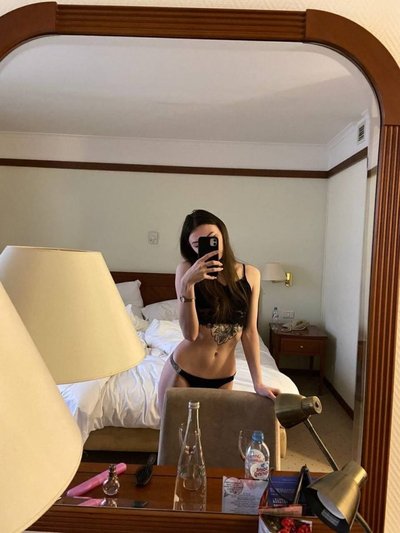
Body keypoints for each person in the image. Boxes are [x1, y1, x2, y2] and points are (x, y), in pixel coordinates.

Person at [157, 209, 280, 413]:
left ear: (223, 235)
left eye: (212, 239)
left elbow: (249, 332)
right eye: (198, 244)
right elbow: (190, 334)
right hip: (183, 371)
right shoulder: (186, 271)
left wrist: (258, 382)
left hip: (224, 377)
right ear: (190, 247)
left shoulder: (251, 274)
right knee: (175, 433)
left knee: (216, 432)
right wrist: (187, 284)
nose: (207, 247)